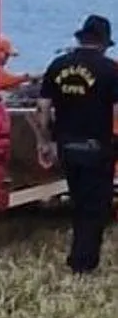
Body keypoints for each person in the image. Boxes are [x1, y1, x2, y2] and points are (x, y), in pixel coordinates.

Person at [34, 14, 118, 274]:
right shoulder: (110, 70)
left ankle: (79, 258)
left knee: (79, 202)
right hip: (97, 147)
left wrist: (44, 143)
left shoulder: (58, 66)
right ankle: (83, 264)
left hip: (67, 147)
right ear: (103, 42)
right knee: (96, 207)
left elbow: (42, 108)